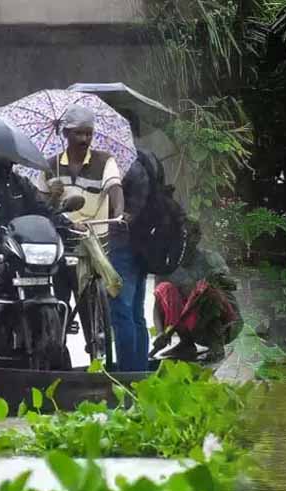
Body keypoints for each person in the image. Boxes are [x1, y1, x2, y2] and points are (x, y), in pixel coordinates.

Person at [35, 104, 125, 356]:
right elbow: (39, 206)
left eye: (89, 133)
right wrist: (51, 196)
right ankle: (57, 354)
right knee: (60, 302)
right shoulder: (51, 166)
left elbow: (115, 188)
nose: (85, 139)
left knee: (89, 305)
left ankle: (97, 353)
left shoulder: (105, 161)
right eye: (79, 134)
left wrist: (118, 214)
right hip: (62, 244)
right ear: (65, 134)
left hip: (93, 242)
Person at [150, 220, 243, 363]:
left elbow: (233, 285)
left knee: (207, 291)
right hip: (187, 324)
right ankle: (186, 343)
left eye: (186, 237)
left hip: (221, 325)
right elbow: (158, 304)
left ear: (197, 237)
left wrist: (216, 279)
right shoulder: (165, 266)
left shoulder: (209, 258)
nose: (182, 242)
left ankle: (215, 345)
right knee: (165, 289)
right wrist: (161, 333)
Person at [109, 110, 154, 372]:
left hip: (123, 243)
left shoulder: (125, 164)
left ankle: (126, 374)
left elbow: (126, 212)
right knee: (136, 313)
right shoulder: (148, 158)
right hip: (144, 244)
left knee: (121, 312)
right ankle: (139, 371)